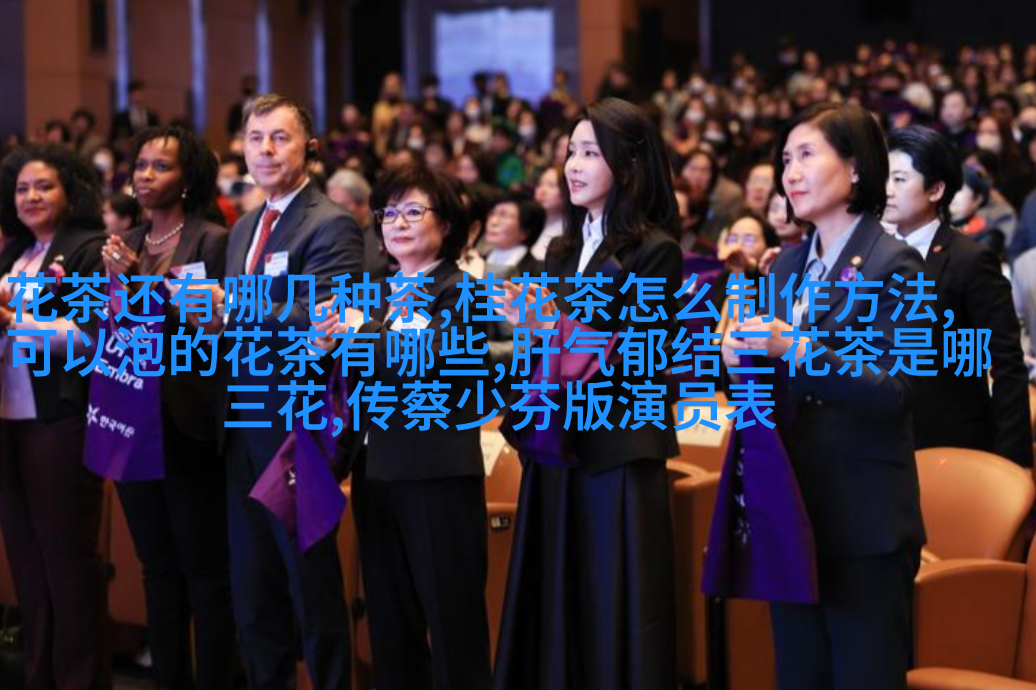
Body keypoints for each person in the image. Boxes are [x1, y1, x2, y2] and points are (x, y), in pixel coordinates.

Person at [722, 102, 926, 690]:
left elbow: (895, 389)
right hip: (793, 512)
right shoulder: (786, 266)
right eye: (785, 160)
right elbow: (769, 387)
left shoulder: (897, 264)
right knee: (798, 675)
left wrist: (795, 348)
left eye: (807, 155)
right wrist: (736, 361)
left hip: (863, 521)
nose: (790, 173)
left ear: (856, 167)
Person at [494, 97, 680, 690]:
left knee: (612, 608)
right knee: (557, 602)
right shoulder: (560, 251)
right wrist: (533, 334)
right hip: (558, 444)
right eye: (571, 152)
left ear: (629, 165)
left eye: (591, 153)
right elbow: (541, 356)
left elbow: (646, 357)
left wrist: (554, 329)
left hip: (617, 447)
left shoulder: (655, 250)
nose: (573, 165)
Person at [188, 93, 363, 690]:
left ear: (308, 147)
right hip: (239, 425)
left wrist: (232, 305)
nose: (264, 149)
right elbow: (238, 323)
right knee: (254, 593)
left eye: (279, 137)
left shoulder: (330, 221)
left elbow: (324, 314)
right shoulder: (243, 228)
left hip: (295, 429)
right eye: (254, 138)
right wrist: (211, 319)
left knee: (310, 588)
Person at [314, 164, 492, 690]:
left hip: (436, 476)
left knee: (452, 623)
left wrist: (361, 333)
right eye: (389, 212)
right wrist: (323, 348)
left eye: (414, 211)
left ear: (447, 225)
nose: (398, 222)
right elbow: (349, 379)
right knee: (390, 625)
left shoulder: (462, 290)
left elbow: (437, 359)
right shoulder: (373, 293)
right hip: (375, 471)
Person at [98, 126, 235, 690]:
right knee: (155, 567)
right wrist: (111, 292)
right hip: (132, 416)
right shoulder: (125, 240)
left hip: (187, 422)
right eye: (140, 164)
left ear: (188, 178)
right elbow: (114, 332)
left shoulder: (211, 241)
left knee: (204, 569)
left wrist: (134, 284)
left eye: (161, 166)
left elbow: (209, 336)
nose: (145, 175)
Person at [0, 143, 109, 690]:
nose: (31, 197)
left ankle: (80, 680)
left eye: (44, 186)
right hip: (9, 421)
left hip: (59, 419)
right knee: (26, 563)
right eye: (22, 188)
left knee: (67, 561)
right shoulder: (14, 254)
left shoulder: (87, 250)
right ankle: (38, 676)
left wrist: (12, 320)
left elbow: (90, 339)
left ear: (71, 191)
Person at [885, 125, 1031, 466]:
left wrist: (1013, 462)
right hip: (885, 438)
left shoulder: (970, 259)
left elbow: (1006, 364)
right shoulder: (873, 256)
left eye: (900, 179)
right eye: (884, 178)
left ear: (936, 189)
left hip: (952, 439)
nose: (887, 190)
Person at [530, 165, 565, 261]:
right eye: (539, 184)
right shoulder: (532, 227)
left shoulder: (569, 234)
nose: (542, 191)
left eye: (551, 185)